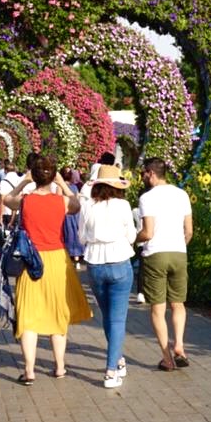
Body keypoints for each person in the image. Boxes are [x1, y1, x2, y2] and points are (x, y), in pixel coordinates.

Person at [7, 153, 92, 384]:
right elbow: (76, 205)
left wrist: (23, 182)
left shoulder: (25, 200)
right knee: (57, 312)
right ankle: (60, 367)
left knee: (28, 316)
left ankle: (30, 370)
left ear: (33, 176)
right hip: (56, 260)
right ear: (51, 175)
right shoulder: (61, 201)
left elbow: (6, 199)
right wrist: (62, 183)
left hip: (31, 261)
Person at [78, 164, 136, 388]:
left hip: (95, 263)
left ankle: (118, 360)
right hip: (120, 260)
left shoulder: (88, 206)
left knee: (107, 316)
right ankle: (111, 370)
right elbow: (131, 236)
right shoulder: (123, 206)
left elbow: (82, 237)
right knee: (118, 318)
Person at [136, 157, 193, 372]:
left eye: (144, 173)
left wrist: (133, 238)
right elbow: (189, 231)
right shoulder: (182, 194)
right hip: (179, 252)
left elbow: (148, 232)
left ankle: (167, 359)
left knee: (157, 309)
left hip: (155, 255)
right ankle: (179, 344)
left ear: (151, 173)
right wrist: (180, 244)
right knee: (178, 304)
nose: (143, 177)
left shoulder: (147, 198)